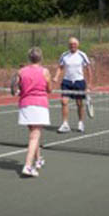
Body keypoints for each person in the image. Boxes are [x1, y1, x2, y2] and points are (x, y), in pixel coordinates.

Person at [17, 47, 52, 177]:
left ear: (29, 58)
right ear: (41, 58)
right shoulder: (45, 71)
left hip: (25, 105)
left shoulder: (21, 71)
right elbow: (49, 89)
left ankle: (38, 160)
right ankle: (27, 166)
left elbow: (18, 88)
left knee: (33, 133)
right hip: (39, 105)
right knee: (35, 136)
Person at [53, 37, 92, 133]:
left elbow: (88, 70)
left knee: (79, 103)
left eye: (74, 44)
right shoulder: (64, 55)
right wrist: (56, 77)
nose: (72, 46)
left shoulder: (82, 55)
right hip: (67, 82)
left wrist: (89, 85)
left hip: (79, 82)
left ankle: (80, 123)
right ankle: (65, 124)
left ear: (77, 45)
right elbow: (60, 67)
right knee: (64, 101)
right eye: (71, 44)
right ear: (68, 45)